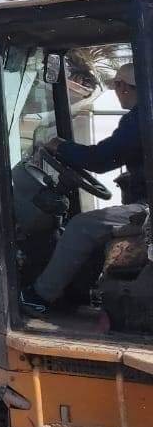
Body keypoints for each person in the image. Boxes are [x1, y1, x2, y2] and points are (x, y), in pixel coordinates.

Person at [21, 62, 146, 313]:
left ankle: (38, 298)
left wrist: (60, 146)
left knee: (81, 226)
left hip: (147, 209)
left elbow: (100, 159)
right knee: (98, 226)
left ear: (122, 86)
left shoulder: (140, 117)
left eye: (116, 87)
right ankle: (79, 293)